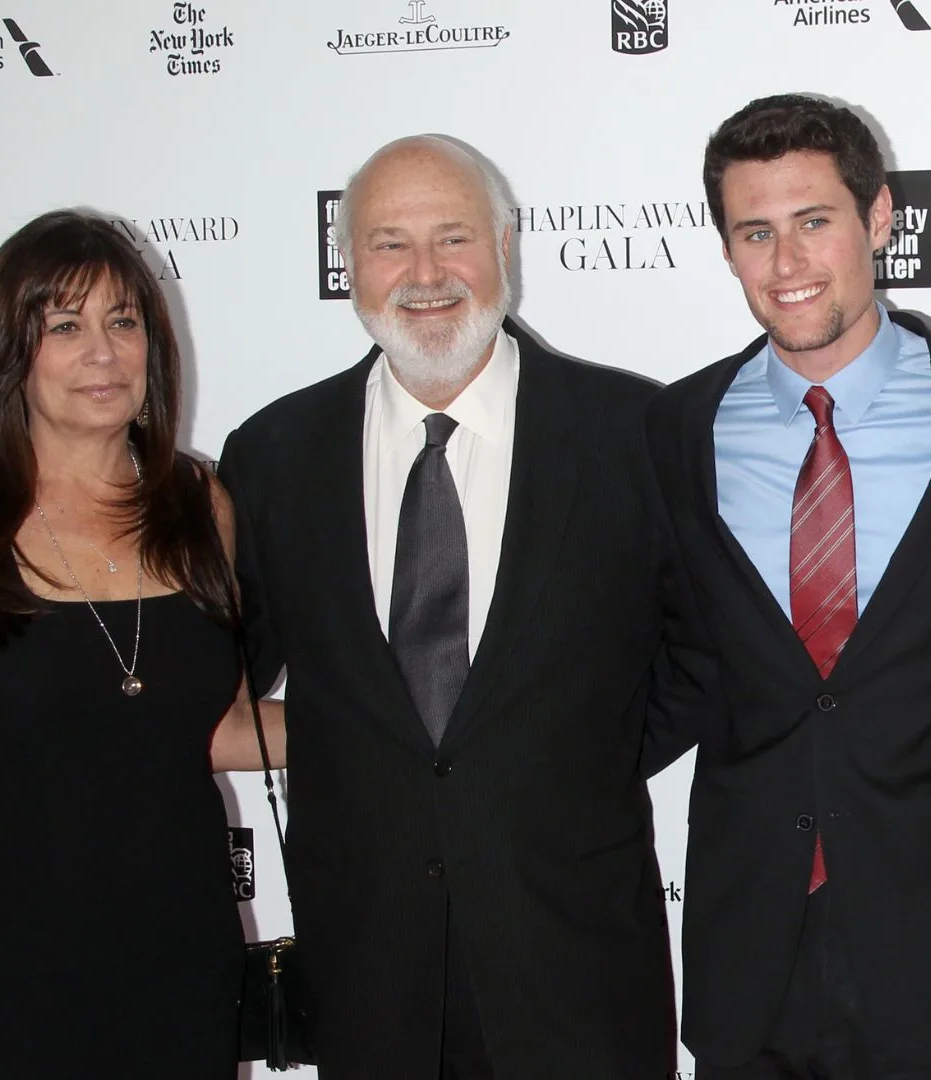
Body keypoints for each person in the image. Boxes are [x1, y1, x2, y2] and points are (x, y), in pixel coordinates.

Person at [217, 135, 693, 1078]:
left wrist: (568, 755)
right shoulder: (273, 454)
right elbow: (214, 670)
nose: (426, 274)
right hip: (366, 974)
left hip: (578, 963)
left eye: (454, 238)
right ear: (350, 264)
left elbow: (705, 657)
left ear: (505, 246)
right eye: (390, 243)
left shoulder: (635, 433)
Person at [642, 94, 931, 1080]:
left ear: (878, 219)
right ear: (727, 250)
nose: (786, 262)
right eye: (755, 232)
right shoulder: (673, 431)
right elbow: (669, 657)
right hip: (752, 945)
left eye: (814, 221)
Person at [0, 209, 285, 1079]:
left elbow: (215, 728)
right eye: (65, 326)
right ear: (8, 352)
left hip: (178, 949)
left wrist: (409, 724)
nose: (102, 353)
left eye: (123, 321)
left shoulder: (202, 506)